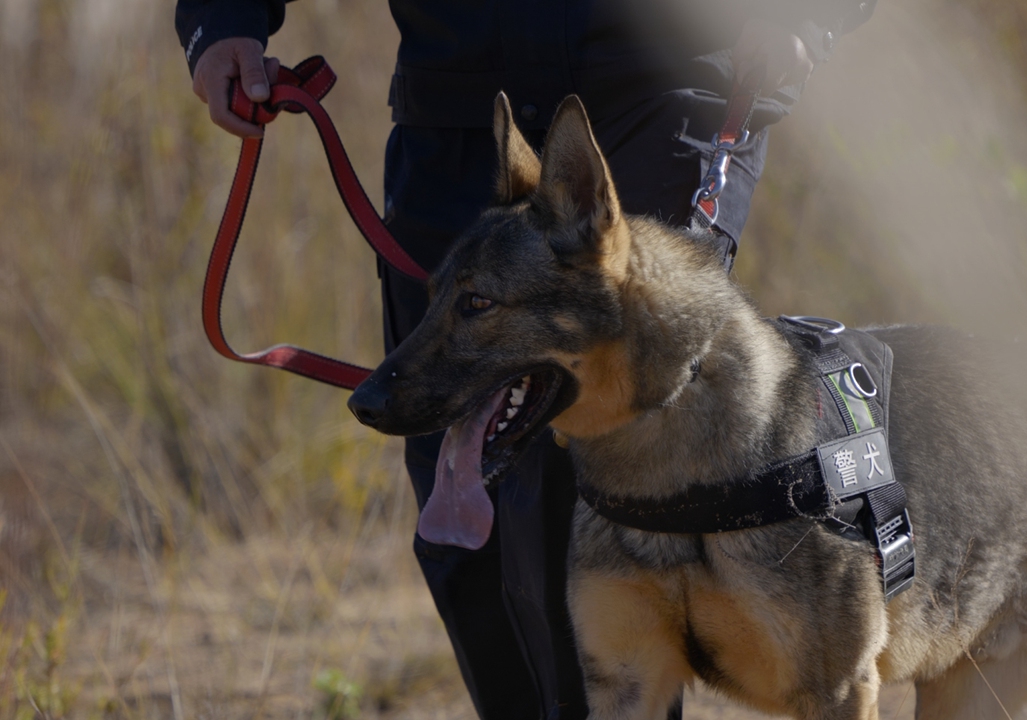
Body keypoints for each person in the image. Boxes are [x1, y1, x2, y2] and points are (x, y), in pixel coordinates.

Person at [175, 2, 877, 717]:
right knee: (453, 470)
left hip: (662, 88)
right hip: (454, 105)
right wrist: (224, 15)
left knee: (581, 479)